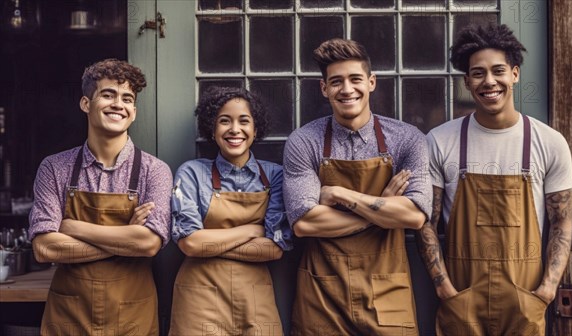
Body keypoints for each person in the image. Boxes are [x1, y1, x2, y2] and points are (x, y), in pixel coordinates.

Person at [419, 24, 572, 336]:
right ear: (467, 80)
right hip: (461, 302)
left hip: (525, 303)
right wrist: (444, 288)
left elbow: (562, 223)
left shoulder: (549, 142)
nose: (489, 81)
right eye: (478, 73)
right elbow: (426, 222)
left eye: (498, 70)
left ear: (514, 74)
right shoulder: (440, 141)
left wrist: (545, 290)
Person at [283, 38, 431, 335]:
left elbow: (414, 215)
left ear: (371, 82)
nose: (347, 89)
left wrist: (340, 194)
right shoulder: (303, 142)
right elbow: (304, 223)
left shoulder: (407, 139)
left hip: (388, 291)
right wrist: (381, 206)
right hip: (322, 293)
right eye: (336, 81)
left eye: (355, 79)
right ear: (324, 88)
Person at [29, 59, 172, 336]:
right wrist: (126, 234)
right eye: (108, 94)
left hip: (132, 316)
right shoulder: (54, 168)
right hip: (70, 315)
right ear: (86, 104)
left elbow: (149, 244)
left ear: (134, 112)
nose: (119, 104)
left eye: (127, 98)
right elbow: (45, 249)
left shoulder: (155, 170)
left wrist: (72, 227)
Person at [169, 86, 293, 335]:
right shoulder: (191, 172)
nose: (235, 129)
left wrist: (210, 241)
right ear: (212, 130)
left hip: (255, 300)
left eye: (244, 121)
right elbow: (190, 244)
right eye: (224, 121)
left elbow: (274, 249)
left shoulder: (275, 176)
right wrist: (251, 230)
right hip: (199, 300)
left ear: (255, 130)